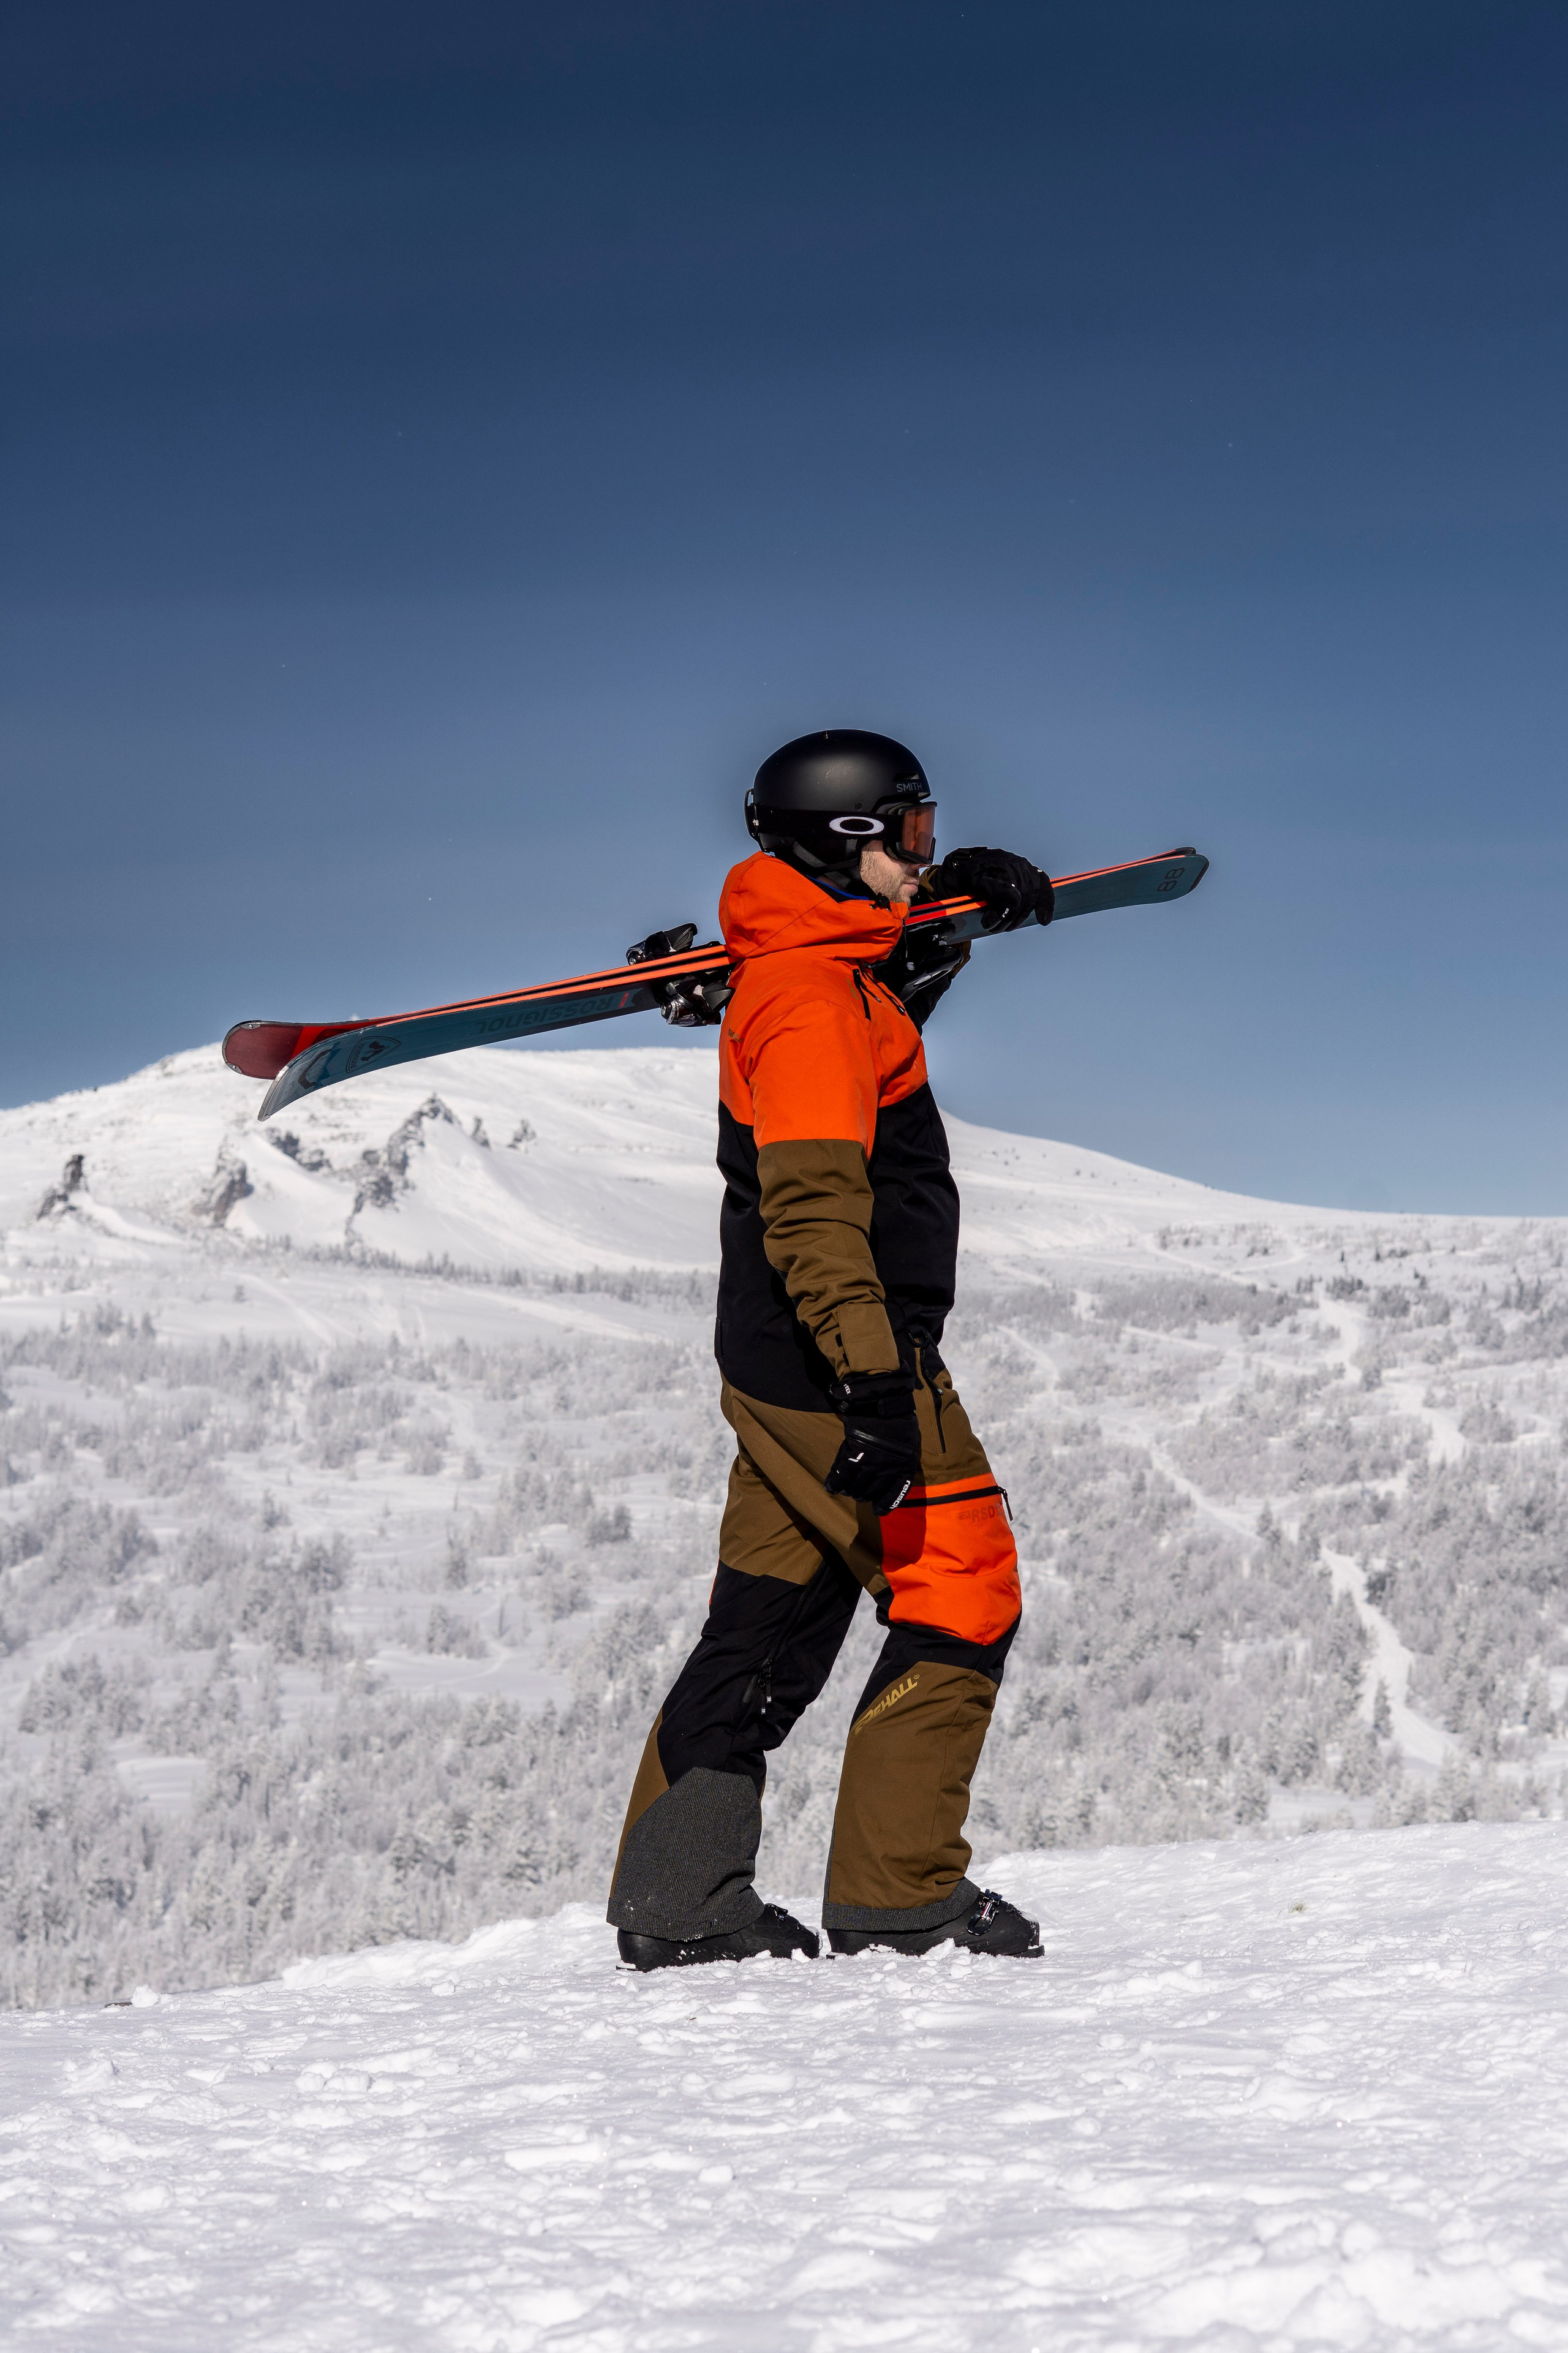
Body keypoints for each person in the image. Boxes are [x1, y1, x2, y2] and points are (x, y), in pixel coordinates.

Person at [606, 729, 1053, 1968]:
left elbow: (880, 1016)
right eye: (909, 832)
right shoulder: (805, 1000)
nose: (920, 849)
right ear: (849, 843)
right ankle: (900, 1894)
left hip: (779, 1356)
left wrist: (954, 912)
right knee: (961, 1579)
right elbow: (810, 1210)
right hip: (835, 1354)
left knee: (770, 1613)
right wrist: (867, 1379)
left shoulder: (825, 976)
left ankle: (680, 1897)